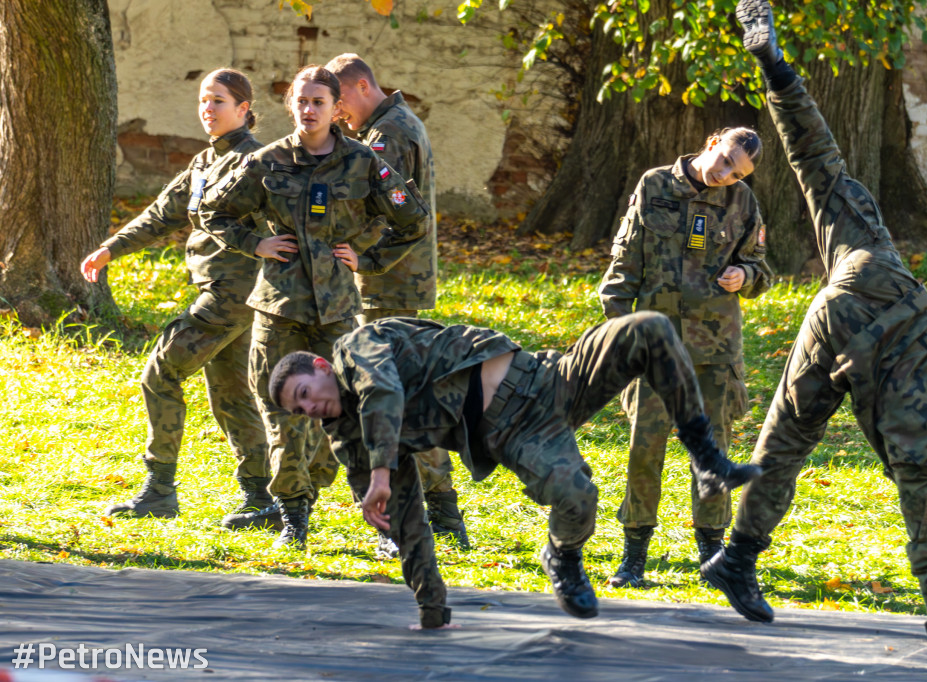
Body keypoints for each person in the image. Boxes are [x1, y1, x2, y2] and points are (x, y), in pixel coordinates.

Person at [702, 0, 927, 641]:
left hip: (881, 277)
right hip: (839, 330)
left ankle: (776, 68)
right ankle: (736, 558)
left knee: (823, 169)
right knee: (784, 444)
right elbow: (923, 541)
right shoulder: (918, 464)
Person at [267, 312, 762, 627]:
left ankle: (706, 460)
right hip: (515, 431)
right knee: (576, 494)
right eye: (298, 412)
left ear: (320, 365)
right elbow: (408, 523)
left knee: (647, 328)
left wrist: (380, 467)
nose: (308, 410)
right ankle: (563, 556)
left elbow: (383, 390)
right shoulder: (352, 441)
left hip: (547, 377)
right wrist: (433, 610)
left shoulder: (357, 347)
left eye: (304, 394)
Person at [196, 65, 429, 549]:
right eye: (301, 102)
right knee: (282, 416)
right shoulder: (268, 161)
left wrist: (368, 258)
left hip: (338, 311)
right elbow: (212, 210)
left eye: (319, 102)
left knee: (354, 416)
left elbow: (413, 220)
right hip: (278, 309)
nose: (309, 110)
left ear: (335, 108)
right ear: (290, 107)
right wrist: (254, 243)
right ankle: (293, 518)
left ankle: (383, 524)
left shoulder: (365, 162)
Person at [81, 69, 271, 525]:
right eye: (204, 100)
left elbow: (286, 222)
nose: (208, 109)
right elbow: (162, 212)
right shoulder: (205, 161)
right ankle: (264, 500)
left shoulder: (257, 163)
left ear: (244, 109)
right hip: (223, 293)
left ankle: (160, 490)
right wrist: (111, 248)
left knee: (159, 374)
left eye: (219, 101)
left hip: (234, 295)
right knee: (232, 396)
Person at [598, 128, 773, 587]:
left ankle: (713, 554)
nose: (725, 174)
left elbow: (762, 268)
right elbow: (622, 266)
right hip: (655, 346)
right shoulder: (654, 185)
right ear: (712, 141)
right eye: (725, 160)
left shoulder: (742, 203)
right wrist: (621, 332)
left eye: (737, 172)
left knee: (712, 452)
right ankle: (634, 555)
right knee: (645, 448)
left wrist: (745, 274)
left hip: (714, 349)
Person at [325, 54, 470, 555]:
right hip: (396, 284)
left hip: (394, 287)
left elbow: (399, 214)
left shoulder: (390, 135)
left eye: (340, 102)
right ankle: (443, 515)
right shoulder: (390, 125)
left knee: (399, 400)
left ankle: (438, 514)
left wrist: (365, 260)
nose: (338, 114)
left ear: (364, 87)